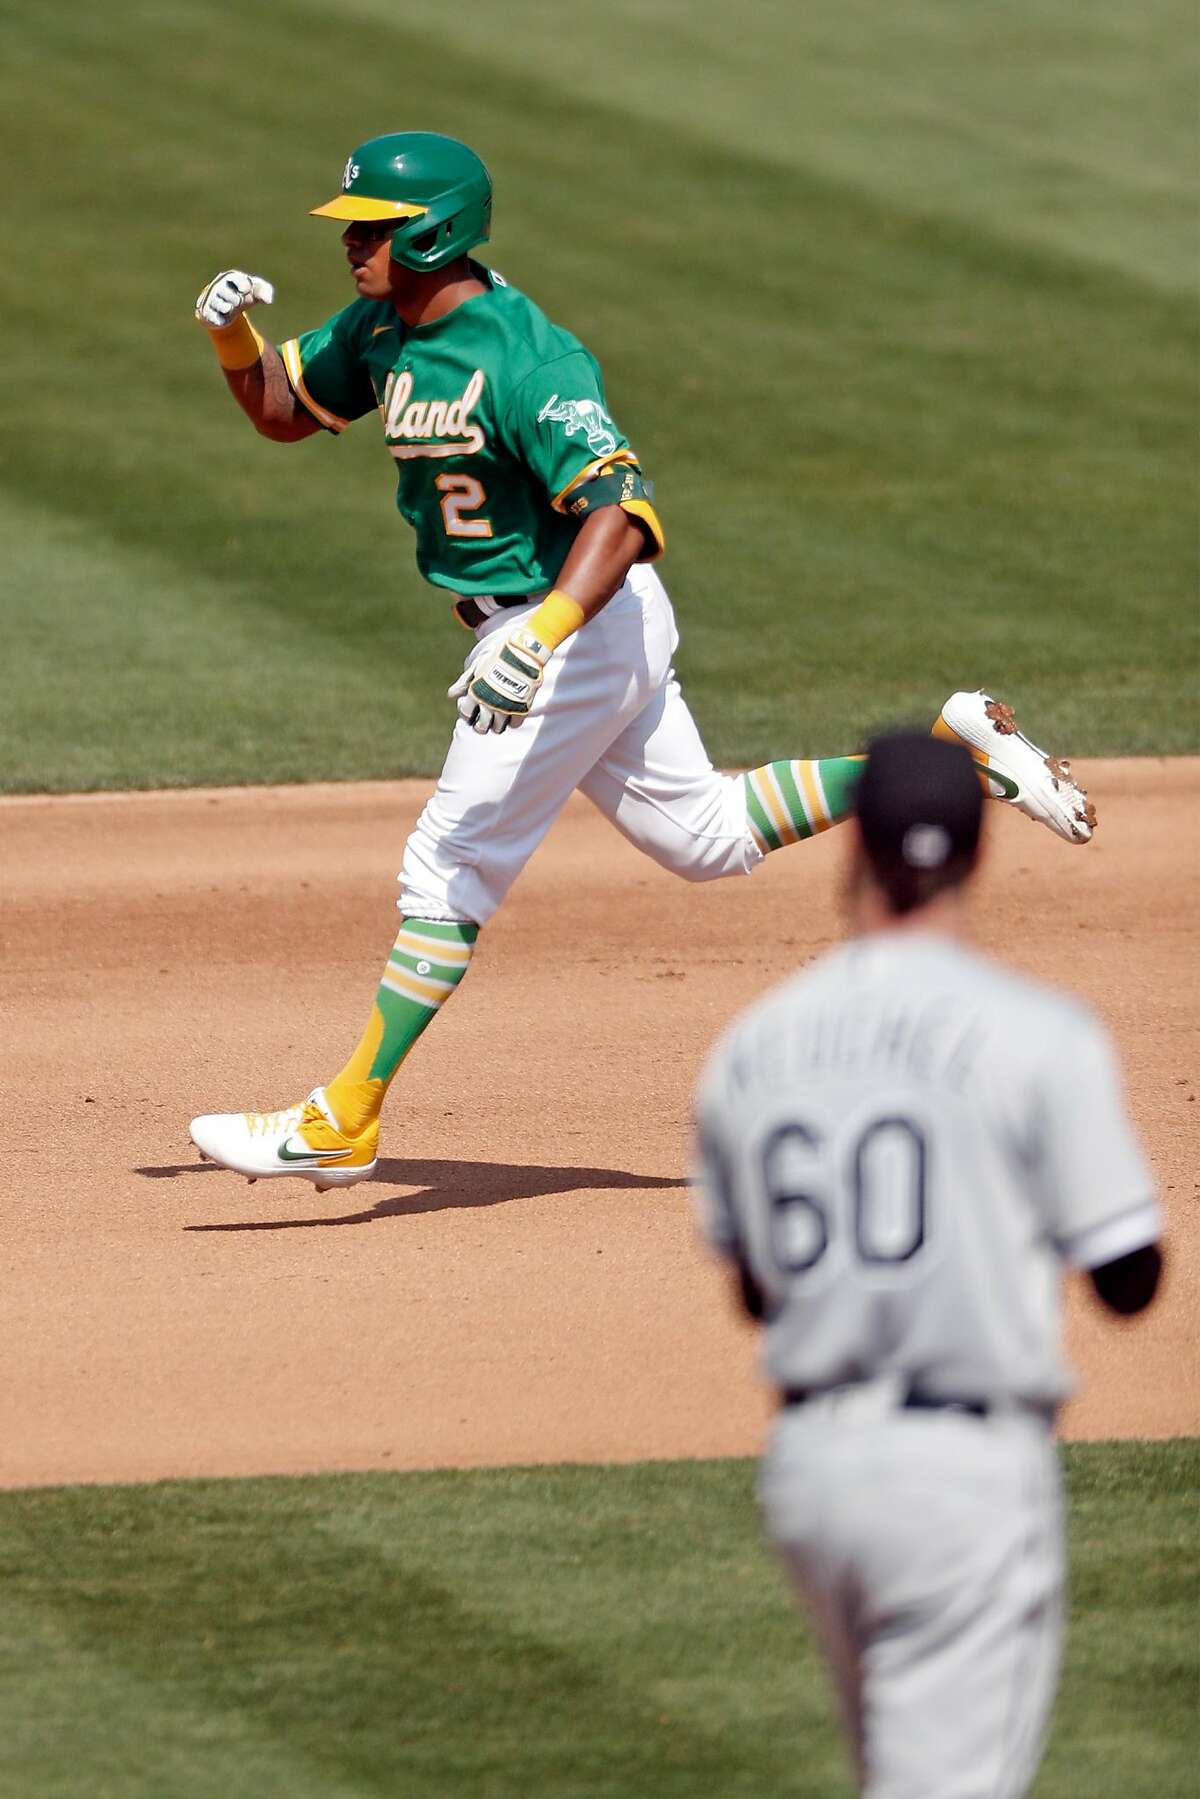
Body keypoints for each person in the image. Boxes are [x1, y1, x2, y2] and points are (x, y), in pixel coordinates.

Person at [188, 131, 1097, 1193]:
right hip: (558, 629)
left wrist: (537, 637)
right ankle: (950, 760)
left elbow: (623, 511)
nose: (353, 250)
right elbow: (285, 413)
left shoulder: (528, 355)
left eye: (373, 232)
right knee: (704, 836)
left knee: (447, 862)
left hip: (570, 622)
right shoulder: (383, 329)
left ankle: (345, 1116)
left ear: (434, 231)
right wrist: (235, 341)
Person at [693, 730, 1161, 1799]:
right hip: (961, 1484)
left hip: (810, 1480)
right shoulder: (1038, 1034)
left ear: (850, 844)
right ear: (978, 854)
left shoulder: (752, 1047)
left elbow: (757, 1287)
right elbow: (1128, 1275)